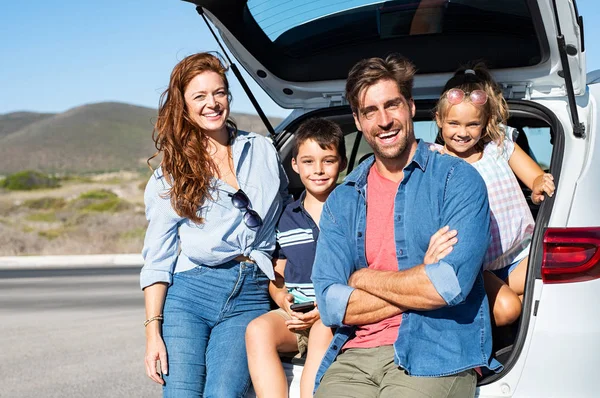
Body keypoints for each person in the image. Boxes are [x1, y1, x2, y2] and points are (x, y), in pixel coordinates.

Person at [311, 54, 502, 398]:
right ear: (358, 120)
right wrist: (419, 277)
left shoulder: (457, 180)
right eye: (370, 111)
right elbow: (331, 305)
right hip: (355, 356)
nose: (384, 121)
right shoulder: (342, 200)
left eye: (392, 105)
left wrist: (362, 278)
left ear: (411, 106)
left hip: (439, 351)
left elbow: (448, 287)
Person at [140, 52, 290, 397]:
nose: (212, 103)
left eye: (219, 92)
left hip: (251, 294)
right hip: (191, 293)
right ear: (185, 106)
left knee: (224, 394)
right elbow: (157, 260)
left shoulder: (264, 150)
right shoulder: (170, 176)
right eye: (200, 96)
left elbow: (287, 215)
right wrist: (153, 333)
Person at [433, 64, 555, 326]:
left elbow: (534, 177)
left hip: (520, 253)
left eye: (472, 124)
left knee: (555, 285)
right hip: (476, 266)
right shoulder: (435, 159)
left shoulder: (499, 147)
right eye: (454, 123)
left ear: (485, 123)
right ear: (439, 120)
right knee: (509, 309)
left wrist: (538, 186)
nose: (462, 132)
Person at [246, 118, 346, 398]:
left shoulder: (351, 209)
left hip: (334, 318)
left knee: (320, 335)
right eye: (308, 161)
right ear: (294, 165)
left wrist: (325, 311)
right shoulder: (285, 218)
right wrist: (283, 302)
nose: (318, 170)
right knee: (258, 330)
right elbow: (276, 277)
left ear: (343, 163)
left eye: (328, 160)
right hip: (296, 315)